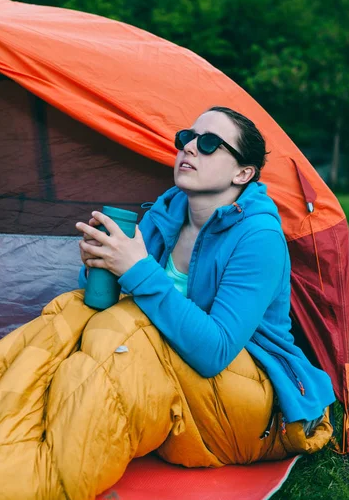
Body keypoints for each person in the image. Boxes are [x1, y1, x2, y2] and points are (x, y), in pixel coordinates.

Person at [77, 106, 335, 447]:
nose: (190, 147)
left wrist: (138, 270)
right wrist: (101, 264)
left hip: (251, 381)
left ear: (243, 174)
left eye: (210, 143)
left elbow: (214, 352)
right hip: (166, 359)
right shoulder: (167, 211)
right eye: (187, 137)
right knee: (68, 312)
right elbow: (106, 299)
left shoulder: (259, 238)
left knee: (119, 340)